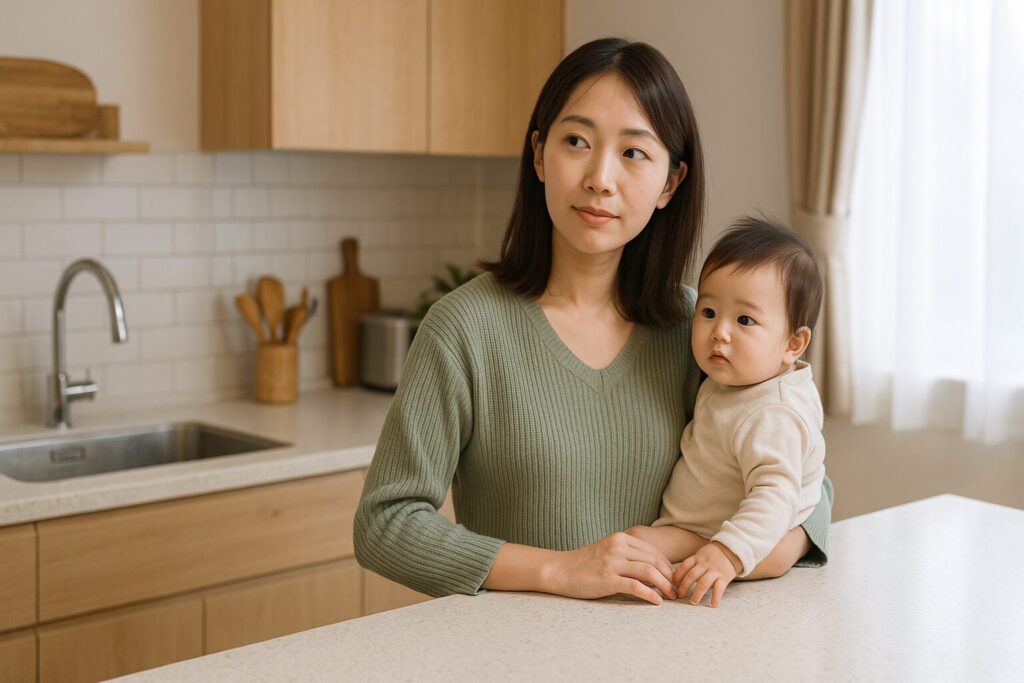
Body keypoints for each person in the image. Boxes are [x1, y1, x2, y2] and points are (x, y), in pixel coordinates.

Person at [353, 38, 832, 607]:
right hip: (515, 657)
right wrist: (559, 571)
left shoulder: (697, 326)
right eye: (576, 141)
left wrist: (732, 557)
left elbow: (806, 481)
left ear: (670, 184)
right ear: (538, 155)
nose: (600, 178)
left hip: (670, 649)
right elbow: (385, 524)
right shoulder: (463, 330)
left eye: (634, 153)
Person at [626, 217, 828, 608]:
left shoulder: (773, 412)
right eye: (708, 312)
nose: (720, 332)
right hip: (703, 529)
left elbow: (776, 494)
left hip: (719, 537)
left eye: (745, 320)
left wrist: (727, 553)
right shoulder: (739, 379)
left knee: (637, 545)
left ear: (793, 342)